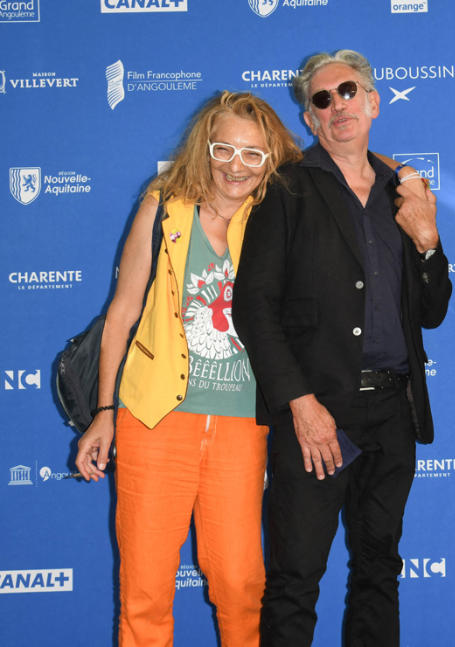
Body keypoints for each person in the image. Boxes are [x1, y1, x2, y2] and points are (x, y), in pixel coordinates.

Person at [231, 49, 452, 647]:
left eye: (347, 91)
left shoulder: (405, 190)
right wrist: (300, 403)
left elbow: (432, 311)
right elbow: (253, 307)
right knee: (295, 578)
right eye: (321, 100)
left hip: (391, 413)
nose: (337, 106)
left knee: (379, 570)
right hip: (315, 413)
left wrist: (429, 241)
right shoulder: (286, 188)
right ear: (309, 119)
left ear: (374, 101)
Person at [73, 91, 302, 646]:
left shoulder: (277, 214)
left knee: (241, 584)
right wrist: (103, 414)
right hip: (154, 422)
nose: (235, 166)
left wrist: (406, 174)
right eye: (225, 149)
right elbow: (122, 313)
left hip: (241, 427)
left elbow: (352, 170)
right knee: (145, 591)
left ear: (271, 160)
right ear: (205, 146)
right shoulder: (164, 206)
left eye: (253, 155)